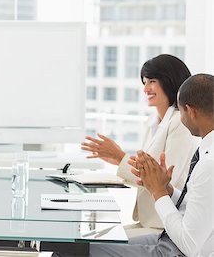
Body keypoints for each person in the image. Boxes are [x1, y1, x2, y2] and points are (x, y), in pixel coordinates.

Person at [85, 73, 213, 256]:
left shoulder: (209, 163)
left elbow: (189, 245)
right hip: (169, 239)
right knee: (79, 247)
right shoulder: (206, 151)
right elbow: (196, 206)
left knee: (75, 251)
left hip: (178, 249)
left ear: (190, 110)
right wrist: (166, 189)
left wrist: (158, 192)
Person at [81, 54, 198, 236]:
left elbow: (164, 178)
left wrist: (120, 157)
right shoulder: (152, 123)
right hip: (148, 220)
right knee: (89, 238)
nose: (145, 89)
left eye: (151, 81)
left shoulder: (179, 123)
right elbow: (148, 170)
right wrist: (116, 160)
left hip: (164, 226)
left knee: (90, 244)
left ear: (170, 81)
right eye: (144, 82)